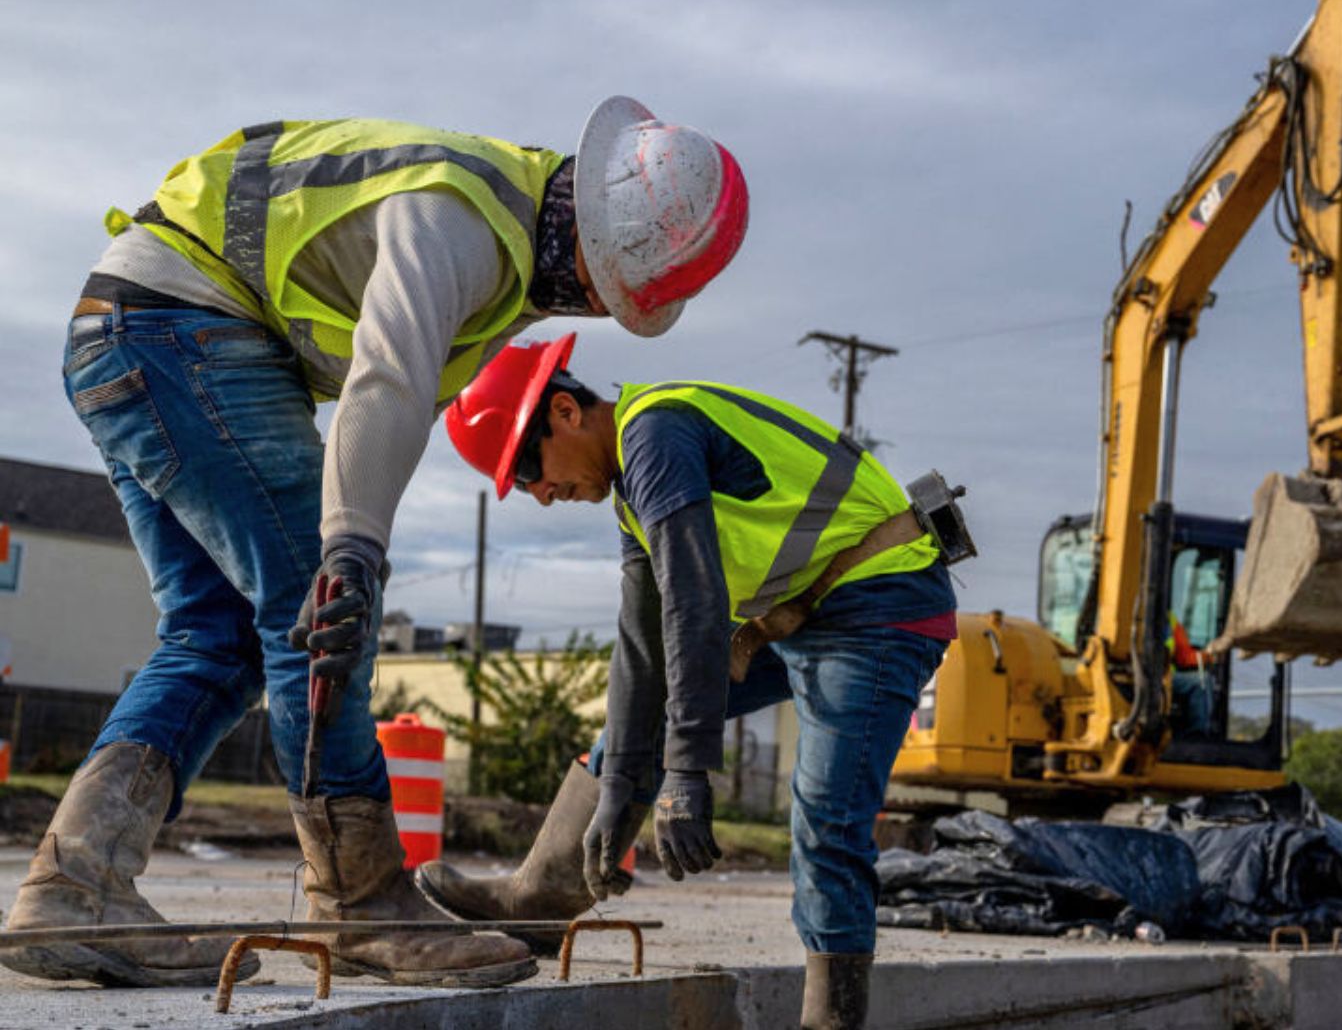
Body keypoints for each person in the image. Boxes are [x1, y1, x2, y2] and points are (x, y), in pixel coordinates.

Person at [2, 98, 749, 990]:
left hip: (129, 336)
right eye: (602, 283)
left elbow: (401, 411)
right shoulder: (460, 215)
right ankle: (356, 901)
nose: (592, 305)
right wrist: (350, 551)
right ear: (586, 212)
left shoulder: (513, 266)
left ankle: (74, 884)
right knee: (311, 604)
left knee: (217, 635)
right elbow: (386, 379)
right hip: (181, 330)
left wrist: (355, 538)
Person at [424, 335, 957, 1029]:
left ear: (565, 410)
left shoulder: (657, 435)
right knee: (636, 716)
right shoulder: (630, 496)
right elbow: (643, 652)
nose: (543, 495)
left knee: (826, 819)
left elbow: (694, 604)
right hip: (806, 612)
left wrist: (687, 773)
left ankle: (832, 1019)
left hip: (883, 605)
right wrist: (619, 790)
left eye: (529, 468)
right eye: (524, 487)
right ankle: (542, 899)